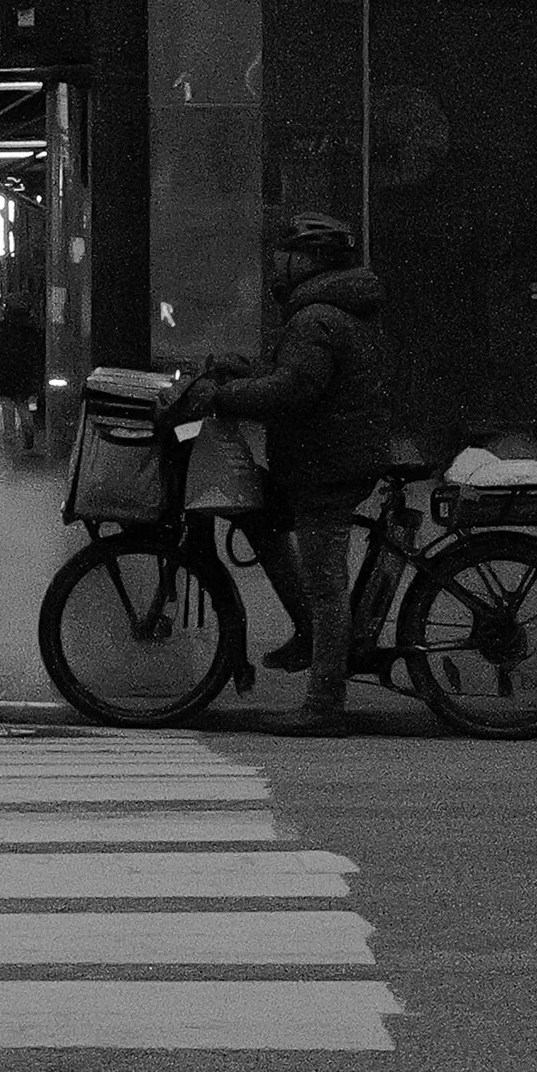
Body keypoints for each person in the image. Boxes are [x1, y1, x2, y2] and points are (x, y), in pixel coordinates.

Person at [192, 213, 393, 736]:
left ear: (311, 261)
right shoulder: (331, 314)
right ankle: (307, 631)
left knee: (326, 585)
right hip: (325, 459)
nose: (276, 266)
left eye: (287, 255)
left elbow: (294, 392)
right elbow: (298, 376)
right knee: (258, 515)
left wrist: (224, 395)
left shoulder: (317, 318)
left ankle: (325, 704)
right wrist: (248, 371)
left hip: (326, 466)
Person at [0, 294, 43, 453]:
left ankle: (10, 438)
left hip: (7, 372)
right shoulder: (32, 327)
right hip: (24, 373)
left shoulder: (5, 326)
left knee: (7, 406)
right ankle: (28, 435)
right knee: (23, 405)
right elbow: (36, 350)